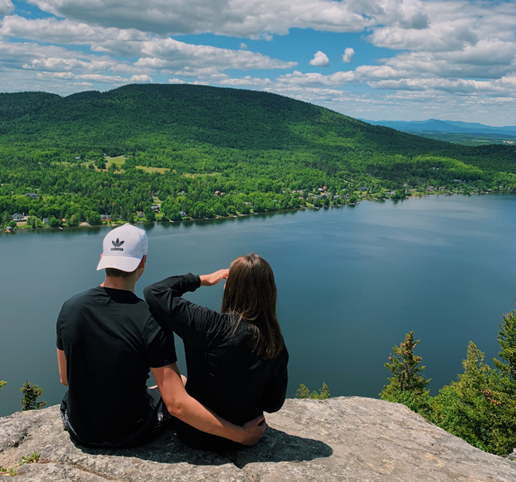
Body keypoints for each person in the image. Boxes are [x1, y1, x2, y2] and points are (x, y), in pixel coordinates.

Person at [56, 224, 265, 449]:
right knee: (181, 382)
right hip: (130, 432)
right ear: (142, 262)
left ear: (103, 259)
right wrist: (240, 435)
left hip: (80, 429)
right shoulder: (149, 319)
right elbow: (176, 405)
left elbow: (66, 378)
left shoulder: (70, 308)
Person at [144, 253, 289, 452]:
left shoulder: (210, 326)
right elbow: (273, 404)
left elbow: (155, 292)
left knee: (182, 381)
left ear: (229, 287)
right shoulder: (275, 343)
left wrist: (201, 280)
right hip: (249, 435)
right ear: (270, 291)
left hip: (196, 436)